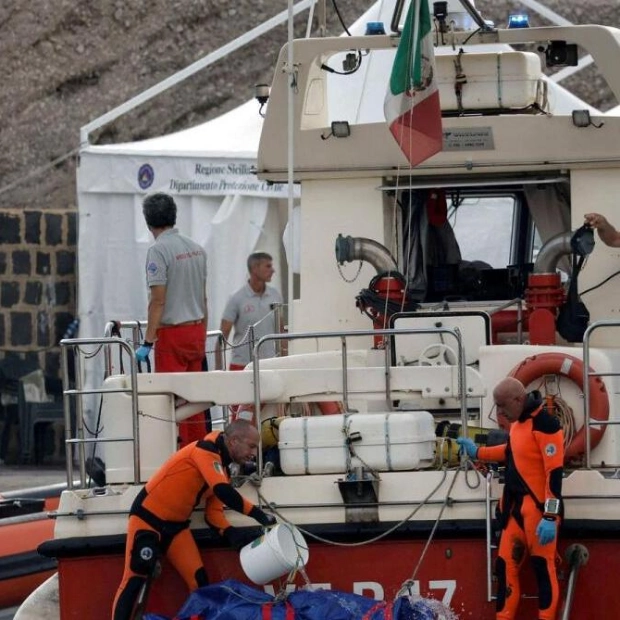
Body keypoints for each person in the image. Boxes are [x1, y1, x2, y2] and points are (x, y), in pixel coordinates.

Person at [111, 419, 276, 620]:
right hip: (148, 519)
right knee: (134, 578)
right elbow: (223, 492)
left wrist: (231, 533)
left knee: (199, 582)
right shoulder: (204, 451)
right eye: (251, 446)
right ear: (233, 441)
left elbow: (213, 514)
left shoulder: (221, 470)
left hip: (176, 527)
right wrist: (260, 515)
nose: (254, 453)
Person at [457, 377, 564, 620]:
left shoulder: (546, 425)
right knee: (504, 568)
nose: (500, 412)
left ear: (518, 399)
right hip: (515, 510)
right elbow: (509, 452)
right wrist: (477, 451)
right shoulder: (517, 425)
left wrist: (550, 515)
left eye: (503, 406)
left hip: (538, 512)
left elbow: (554, 475)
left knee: (543, 570)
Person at [135, 192, 209, 446]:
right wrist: (203, 332)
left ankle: (176, 454)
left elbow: (158, 300)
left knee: (170, 400)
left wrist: (147, 341)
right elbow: (203, 297)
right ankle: (200, 450)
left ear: (148, 222)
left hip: (172, 334)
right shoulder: (197, 249)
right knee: (195, 400)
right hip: (197, 329)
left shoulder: (158, 251)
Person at [215, 252, 284, 371]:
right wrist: (219, 370)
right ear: (255, 268)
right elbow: (222, 336)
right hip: (242, 365)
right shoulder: (236, 298)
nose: (273, 270)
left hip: (270, 364)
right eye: (268, 266)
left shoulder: (275, 295)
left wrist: (285, 362)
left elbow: (281, 332)